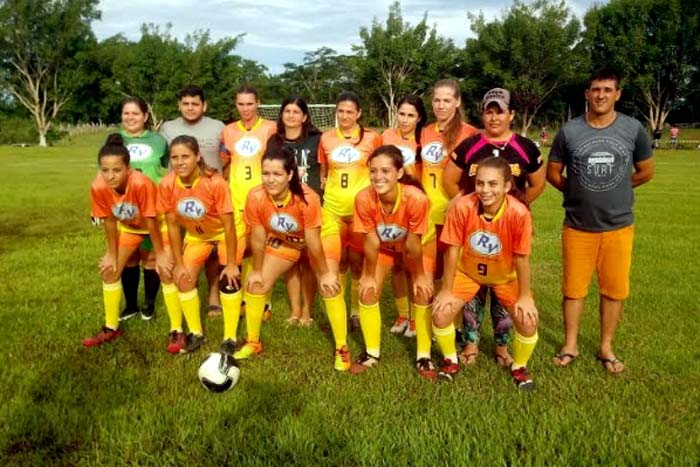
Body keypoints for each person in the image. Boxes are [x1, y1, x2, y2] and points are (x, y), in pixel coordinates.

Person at [547, 67, 654, 374]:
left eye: (608, 90)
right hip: (578, 225)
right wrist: (578, 189)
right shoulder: (570, 131)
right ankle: (570, 345)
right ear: (587, 94)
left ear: (617, 94)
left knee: (614, 290)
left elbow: (646, 171)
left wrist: (619, 186)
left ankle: (606, 347)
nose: (601, 95)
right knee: (573, 289)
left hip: (618, 226)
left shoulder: (633, 130)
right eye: (596, 89)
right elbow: (554, 173)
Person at [443, 88, 545, 367]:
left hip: (510, 230)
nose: (494, 116)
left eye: (500, 111)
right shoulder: (470, 145)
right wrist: (465, 204)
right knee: (474, 285)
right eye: (489, 111)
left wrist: (516, 208)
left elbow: (538, 184)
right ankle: (471, 344)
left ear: (511, 114)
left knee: (504, 286)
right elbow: (450, 181)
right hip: (474, 226)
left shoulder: (526, 147)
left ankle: (501, 347)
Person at [433, 157, 539, 389]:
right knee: (441, 314)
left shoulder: (519, 213)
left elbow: (522, 258)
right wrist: (446, 289)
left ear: (507, 186)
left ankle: (519, 367)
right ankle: (450, 361)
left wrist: (525, 296)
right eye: (480, 183)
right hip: (468, 273)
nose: (485, 190)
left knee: (528, 322)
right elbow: (451, 251)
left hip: (505, 277)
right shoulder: (462, 207)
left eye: (493, 184)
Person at [234, 147, 341, 363]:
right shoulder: (255, 196)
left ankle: (342, 348)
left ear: (290, 175)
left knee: (329, 286)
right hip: (287, 239)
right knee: (256, 283)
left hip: (321, 237)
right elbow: (257, 235)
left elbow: (312, 241)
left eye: (277, 174)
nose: (270, 180)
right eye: (266, 173)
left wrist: (326, 274)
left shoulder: (307, 197)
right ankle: (253, 342)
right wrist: (255, 270)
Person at [83, 134, 180, 351]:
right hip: (130, 228)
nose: (110, 176)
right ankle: (111, 327)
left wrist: (161, 253)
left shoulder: (141, 183)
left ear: (129, 168)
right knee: (110, 270)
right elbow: (108, 219)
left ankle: (176, 331)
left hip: (157, 227)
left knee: (165, 271)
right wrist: (111, 252)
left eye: (116, 170)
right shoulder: (98, 186)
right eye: (105, 170)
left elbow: (151, 220)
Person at [350, 145, 435, 377]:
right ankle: (371, 353)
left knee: (422, 291)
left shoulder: (416, 199)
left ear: (399, 173)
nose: (378, 177)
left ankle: (424, 356)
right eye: (373, 171)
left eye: (385, 171)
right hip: (385, 245)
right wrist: (368, 276)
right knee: (367, 291)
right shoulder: (363, 198)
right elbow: (371, 241)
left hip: (419, 245)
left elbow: (413, 245)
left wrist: (419, 277)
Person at [159, 136, 243, 354]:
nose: (180, 162)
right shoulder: (167, 184)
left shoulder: (215, 183)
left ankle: (230, 337)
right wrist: (178, 263)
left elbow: (229, 226)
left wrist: (232, 263)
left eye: (185, 156)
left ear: (197, 157)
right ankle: (196, 333)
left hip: (225, 233)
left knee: (229, 279)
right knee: (183, 277)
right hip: (197, 236)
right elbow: (173, 226)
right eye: (174, 157)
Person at [160, 85, 226, 318]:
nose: (190, 108)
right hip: (181, 200)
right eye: (185, 103)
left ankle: (214, 296)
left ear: (204, 105)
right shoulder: (167, 128)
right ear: (179, 105)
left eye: (195, 103)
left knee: (214, 254)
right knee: (186, 248)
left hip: (211, 199)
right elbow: (158, 162)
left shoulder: (218, 127)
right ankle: (189, 291)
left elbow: (228, 158)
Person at [318, 91, 382, 332]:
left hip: (359, 214)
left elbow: (379, 170)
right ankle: (339, 313)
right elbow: (325, 172)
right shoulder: (326, 138)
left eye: (349, 111)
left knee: (356, 263)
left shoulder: (372, 139)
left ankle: (355, 311)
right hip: (332, 211)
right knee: (336, 263)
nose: (345, 116)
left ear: (359, 113)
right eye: (341, 111)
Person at [219, 85, 277, 319]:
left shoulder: (270, 128)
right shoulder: (229, 131)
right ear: (236, 105)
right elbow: (225, 163)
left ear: (258, 103)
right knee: (238, 252)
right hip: (236, 199)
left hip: (262, 199)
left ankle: (264, 301)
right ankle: (242, 298)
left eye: (249, 103)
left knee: (260, 249)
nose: (245, 108)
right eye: (241, 104)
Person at [265, 97, 322, 327]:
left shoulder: (316, 140)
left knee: (308, 261)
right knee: (290, 261)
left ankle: (307, 311)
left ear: (305, 116)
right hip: (283, 208)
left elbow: (325, 168)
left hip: (309, 206)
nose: (290, 115)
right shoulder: (274, 142)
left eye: (296, 111)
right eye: (286, 111)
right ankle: (295, 310)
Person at [421, 80, 478, 280]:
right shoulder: (425, 131)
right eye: (437, 100)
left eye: (447, 100)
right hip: (427, 212)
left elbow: (477, 175)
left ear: (457, 101)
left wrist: (460, 197)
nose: (441, 105)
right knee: (429, 273)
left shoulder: (470, 133)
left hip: (455, 211)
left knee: (452, 275)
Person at [118, 97, 169, 321]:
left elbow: (165, 170)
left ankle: (148, 304)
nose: (130, 118)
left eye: (135, 113)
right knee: (128, 258)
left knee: (150, 257)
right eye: (126, 113)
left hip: (152, 210)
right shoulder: (115, 140)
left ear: (145, 117)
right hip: (125, 209)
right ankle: (130, 305)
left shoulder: (158, 141)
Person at [381, 96, 427, 338]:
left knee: (413, 264)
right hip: (390, 209)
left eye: (411, 115)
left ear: (419, 117)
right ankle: (402, 314)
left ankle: (417, 319)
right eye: (402, 114)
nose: (406, 119)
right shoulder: (387, 136)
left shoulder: (424, 140)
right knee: (397, 264)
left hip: (415, 208)